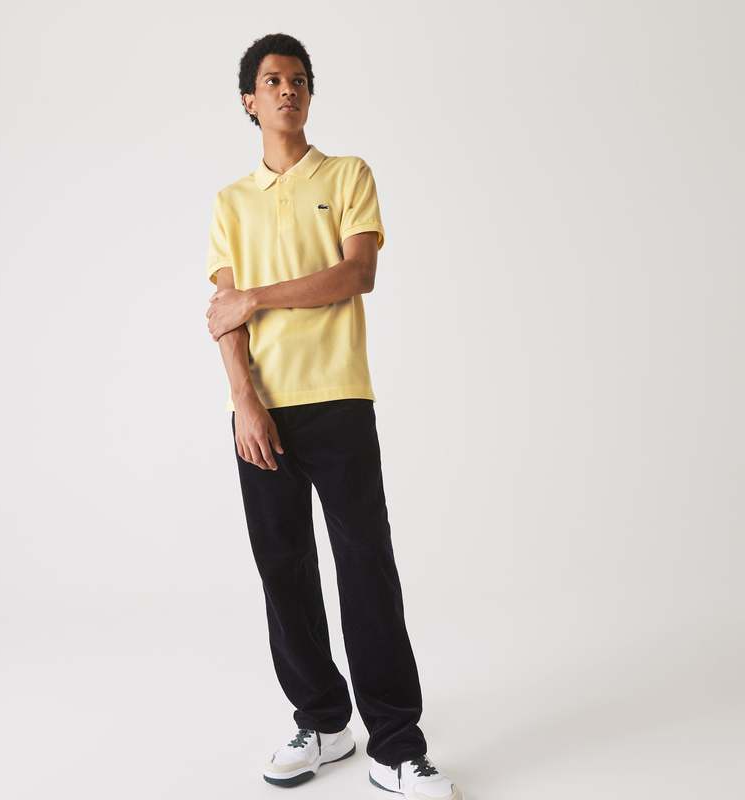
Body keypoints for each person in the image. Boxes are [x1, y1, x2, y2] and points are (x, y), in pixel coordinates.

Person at [204, 33, 463, 800]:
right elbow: (223, 314)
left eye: (299, 79)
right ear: (249, 101)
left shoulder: (348, 175)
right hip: (261, 412)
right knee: (283, 571)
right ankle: (322, 722)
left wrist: (258, 295)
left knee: (365, 569)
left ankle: (397, 746)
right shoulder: (229, 203)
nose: (288, 89)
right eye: (272, 81)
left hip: (339, 400)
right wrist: (244, 402)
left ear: (309, 94)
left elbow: (357, 273)